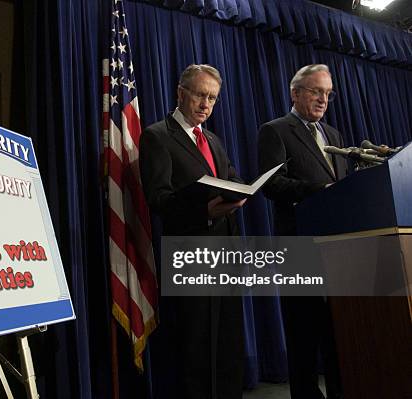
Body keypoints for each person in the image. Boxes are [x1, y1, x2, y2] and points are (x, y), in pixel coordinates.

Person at [139, 64, 246, 398]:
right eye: (200, 95)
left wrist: (242, 192)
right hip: (190, 254)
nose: (206, 104)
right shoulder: (157, 136)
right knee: (194, 347)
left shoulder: (213, 139)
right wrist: (203, 210)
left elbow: (232, 176)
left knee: (226, 343)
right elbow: (158, 199)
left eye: (212, 98)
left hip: (226, 253)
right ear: (180, 92)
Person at [257, 64, 347, 399]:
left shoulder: (334, 135)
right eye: (315, 91)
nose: (323, 99)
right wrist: (315, 189)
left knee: (336, 330)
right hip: (297, 243)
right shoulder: (275, 130)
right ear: (295, 93)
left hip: (336, 244)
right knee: (303, 332)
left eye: (327, 93)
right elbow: (271, 184)